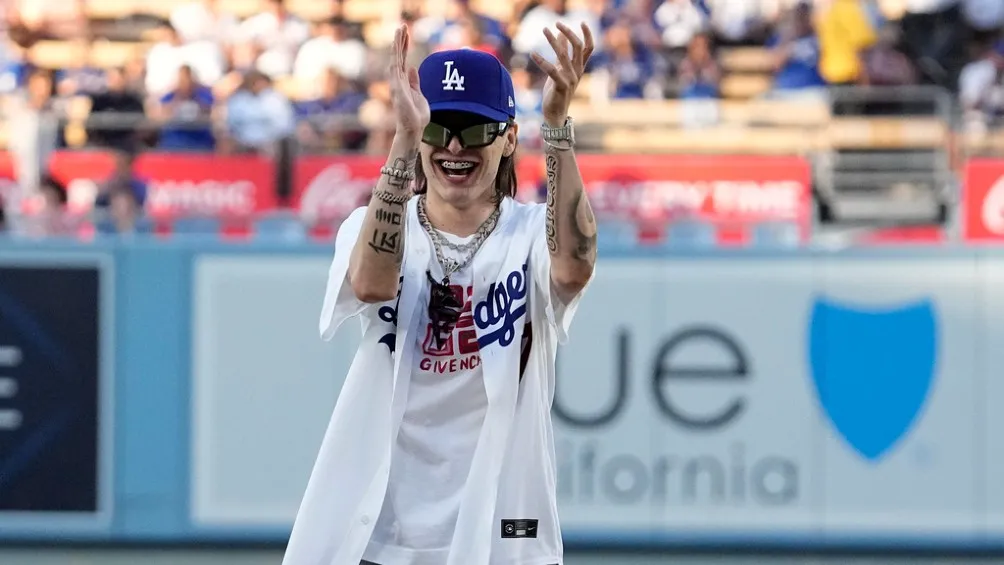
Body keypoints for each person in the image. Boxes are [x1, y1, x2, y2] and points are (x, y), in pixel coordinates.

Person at [283, 21, 597, 565]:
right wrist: (405, 140)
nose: (453, 146)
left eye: (473, 129)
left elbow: (572, 270)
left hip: (498, 529)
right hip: (379, 530)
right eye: (438, 128)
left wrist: (556, 126)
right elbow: (371, 283)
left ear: (507, 137)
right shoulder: (374, 222)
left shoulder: (527, 233)